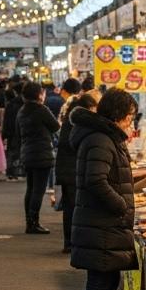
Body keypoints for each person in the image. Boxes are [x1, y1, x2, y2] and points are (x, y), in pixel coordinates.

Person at [69, 88, 138, 290]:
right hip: (102, 224)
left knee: (102, 283)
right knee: (101, 284)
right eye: (130, 117)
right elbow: (96, 181)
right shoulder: (101, 139)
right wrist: (120, 204)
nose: (131, 123)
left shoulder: (102, 136)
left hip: (100, 224)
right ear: (119, 115)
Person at [57, 92, 99, 254]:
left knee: (70, 207)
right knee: (74, 208)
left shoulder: (72, 118)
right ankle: (72, 242)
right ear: (89, 107)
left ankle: (70, 242)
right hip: (72, 170)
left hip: (67, 169)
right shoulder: (79, 122)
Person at [18, 82, 60, 235]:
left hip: (27, 152)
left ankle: (29, 221)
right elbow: (56, 127)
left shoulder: (22, 111)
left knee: (30, 188)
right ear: (39, 94)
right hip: (42, 153)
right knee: (38, 190)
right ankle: (33, 222)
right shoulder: (41, 109)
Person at [1, 77, 24, 181]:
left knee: (12, 152)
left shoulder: (11, 104)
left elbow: (7, 120)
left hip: (12, 132)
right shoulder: (26, 104)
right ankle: (22, 172)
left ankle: (11, 173)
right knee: (22, 151)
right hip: (23, 131)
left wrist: (4, 133)